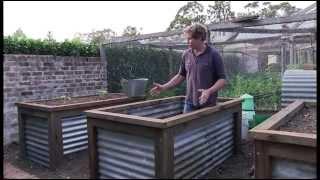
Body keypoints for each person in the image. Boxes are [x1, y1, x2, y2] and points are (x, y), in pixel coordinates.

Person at [150, 23, 226, 113]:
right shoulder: (186, 54)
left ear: (201, 38)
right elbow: (180, 75)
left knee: (204, 127)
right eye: (188, 38)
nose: (189, 41)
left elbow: (222, 79)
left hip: (208, 104)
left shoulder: (213, 54)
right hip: (189, 103)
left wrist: (209, 91)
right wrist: (164, 87)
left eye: (192, 38)